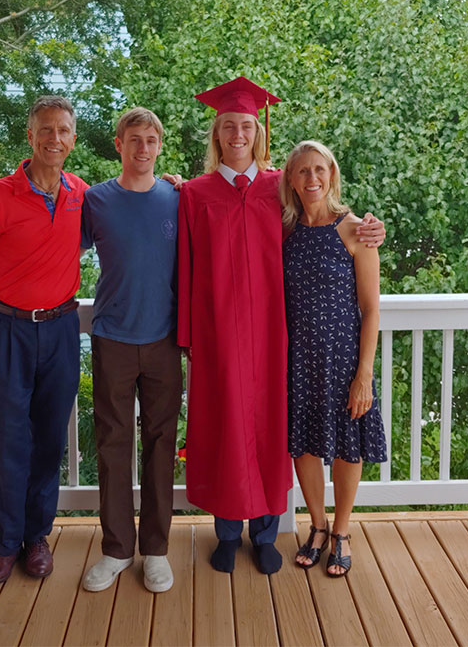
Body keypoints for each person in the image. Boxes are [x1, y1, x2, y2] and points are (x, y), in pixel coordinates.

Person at [177, 77, 385, 576]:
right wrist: (188, 336)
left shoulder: (278, 188)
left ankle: (267, 532)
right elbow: (183, 267)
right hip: (221, 337)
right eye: (228, 126)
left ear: (258, 132)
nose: (238, 134)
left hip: (276, 341)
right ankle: (227, 532)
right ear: (217, 134)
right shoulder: (193, 193)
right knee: (227, 427)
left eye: (246, 125)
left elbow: (328, 213)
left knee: (272, 433)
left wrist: (370, 228)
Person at [0, 95, 86, 585]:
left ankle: (38, 538)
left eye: (63, 130)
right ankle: (5, 545)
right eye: (45, 130)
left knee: (51, 440)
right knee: (8, 441)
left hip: (61, 328)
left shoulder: (81, 194)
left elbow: (128, 210)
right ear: (30, 135)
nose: (54, 139)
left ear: (73, 139)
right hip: (9, 330)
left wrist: (173, 186)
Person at [80, 108, 182, 593]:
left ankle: (156, 550)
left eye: (151, 140)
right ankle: (117, 549)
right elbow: (55, 244)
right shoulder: (95, 201)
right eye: (133, 140)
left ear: (159, 146)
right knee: (113, 445)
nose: (143, 149)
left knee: (162, 446)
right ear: (118, 144)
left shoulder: (176, 199)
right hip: (113, 338)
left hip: (165, 339)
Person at [280, 140, 387, 577]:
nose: (312, 179)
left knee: (347, 446)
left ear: (332, 173)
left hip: (343, 358)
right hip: (297, 358)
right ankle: (318, 527)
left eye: (319, 170)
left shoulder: (356, 229)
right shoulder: (284, 229)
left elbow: (372, 308)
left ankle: (342, 530)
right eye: (303, 171)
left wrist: (365, 374)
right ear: (291, 178)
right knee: (302, 445)